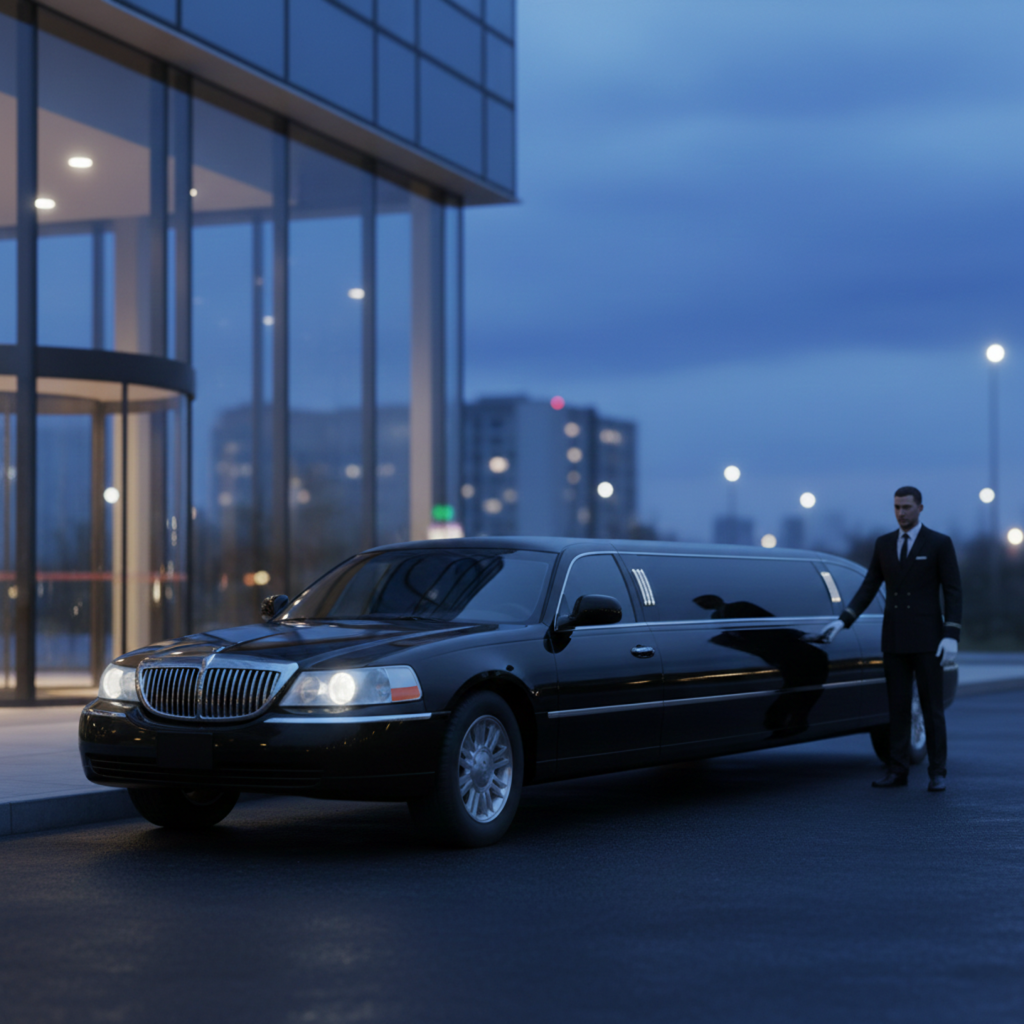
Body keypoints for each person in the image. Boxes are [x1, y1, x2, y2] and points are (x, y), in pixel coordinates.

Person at [822, 486, 961, 791]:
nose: (901, 513)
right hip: (895, 639)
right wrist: (843, 620)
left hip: (928, 640)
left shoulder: (939, 543)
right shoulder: (884, 544)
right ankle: (897, 770)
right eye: (897, 507)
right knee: (896, 708)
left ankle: (938, 772)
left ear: (920, 508)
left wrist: (951, 634)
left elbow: (953, 591)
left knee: (931, 708)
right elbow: (870, 585)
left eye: (907, 507)